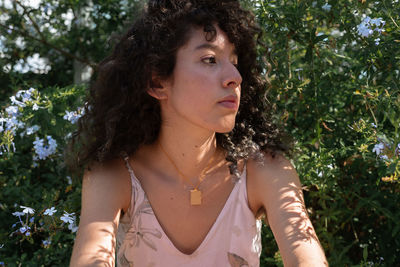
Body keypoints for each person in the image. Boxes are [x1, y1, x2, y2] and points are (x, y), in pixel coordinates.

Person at [68, 0, 328, 266]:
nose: (235, 77)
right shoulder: (114, 175)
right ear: (157, 82)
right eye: (210, 59)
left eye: (235, 62)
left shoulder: (264, 170)